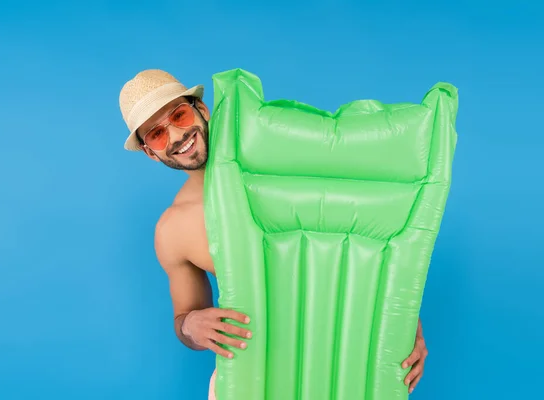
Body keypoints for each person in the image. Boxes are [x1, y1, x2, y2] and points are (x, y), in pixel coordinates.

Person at [118, 69, 429, 399]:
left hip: (345, 369)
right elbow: (185, 316)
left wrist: (405, 325)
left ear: (201, 110)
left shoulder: (285, 166)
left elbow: (359, 243)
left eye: (179, 115)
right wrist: (190, 326)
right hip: (253, 380)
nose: (177, 135)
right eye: (157, 135)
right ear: (151, 152)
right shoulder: (173, 228)